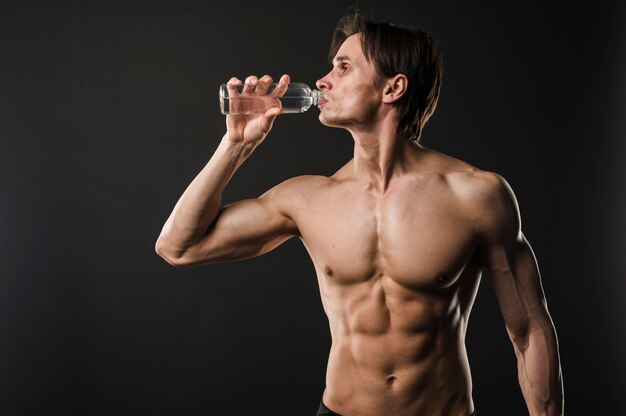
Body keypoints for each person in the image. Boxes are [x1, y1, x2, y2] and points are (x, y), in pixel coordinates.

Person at [155, 12, 564, 416]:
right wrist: (236, 145)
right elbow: (179, 246)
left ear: (393, 88)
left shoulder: (476, 196)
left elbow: (529, 331)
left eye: (344, 67)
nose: (321, 80)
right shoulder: (306, 198)